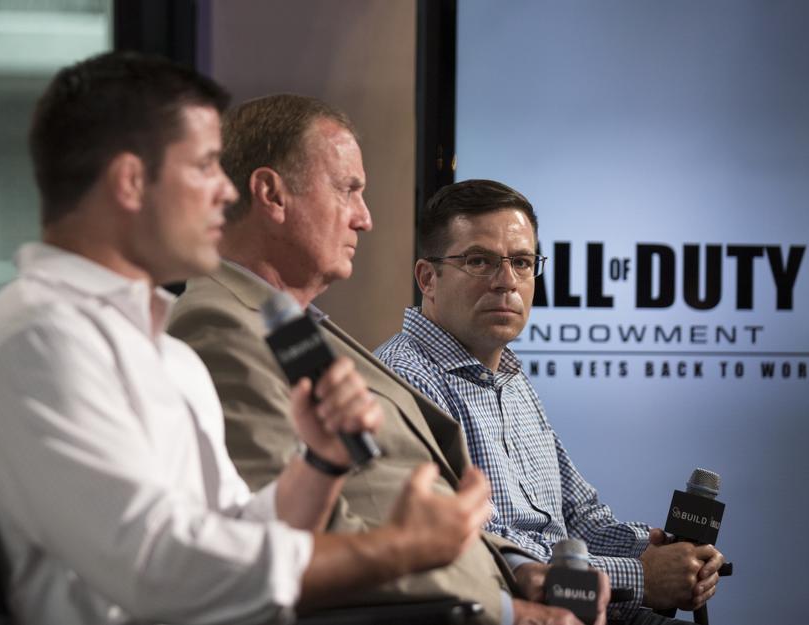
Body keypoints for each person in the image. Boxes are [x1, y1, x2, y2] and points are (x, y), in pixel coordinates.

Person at [0, 52, 496, 625]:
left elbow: (235, 531)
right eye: (204, 167)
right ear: (130, 182)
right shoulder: (36, 340)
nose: (226, 194)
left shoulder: (167, 355)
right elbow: (160, 567)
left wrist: (320, 464)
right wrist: (401, 549)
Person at [168, 93, 608, 625]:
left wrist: (517, 566)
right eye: (348, 190)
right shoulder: (220, 325)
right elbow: (284, 539)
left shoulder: (289, 324)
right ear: (272, 195)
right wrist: (508, 611)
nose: (365, 219)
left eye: (522, 264)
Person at [374, 179, 726, 625]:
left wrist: (665, 554)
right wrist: (639, 576)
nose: (507, 282)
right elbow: (476, 550)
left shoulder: (510, 377)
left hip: (576, 604)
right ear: (428, 278)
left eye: (522, 262)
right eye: (480, 261)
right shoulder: (404, 380)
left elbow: (580, 519)